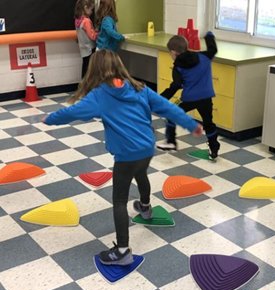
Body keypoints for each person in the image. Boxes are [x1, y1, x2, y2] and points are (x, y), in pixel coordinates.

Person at [42, 50, 202, 265]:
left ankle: (122, 251)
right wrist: (192, 125)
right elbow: (168, 108)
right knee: (141, 173)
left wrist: (49, 119)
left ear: (95, 70)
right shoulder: (140, 88)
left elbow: (72, 113)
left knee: (119, 200)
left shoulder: (99, 95)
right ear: (119, 66)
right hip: (147, 148)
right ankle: (145, 207)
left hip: (126, 155)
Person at [156, 32, 221, 160]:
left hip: (190, 99)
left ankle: (171, 141)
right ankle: (214, 149)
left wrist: (160, 99)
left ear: (174, 52)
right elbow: (213, 49)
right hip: (206, 98)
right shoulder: (203, 56)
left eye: (170, 53)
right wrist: (209, 36)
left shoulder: (178, 67)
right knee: (208, 123)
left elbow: (175, 86)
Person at [74, 0, 98, 78]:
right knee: (90, 68)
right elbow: (92, 36)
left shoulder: (77, 20)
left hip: (83, 48)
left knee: (85, 66)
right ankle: (88, 85)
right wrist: (98, 33)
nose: (91, 12)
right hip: (90, 48)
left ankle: (83, 85)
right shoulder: (86, 21)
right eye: (91, 9)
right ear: (85, 8)